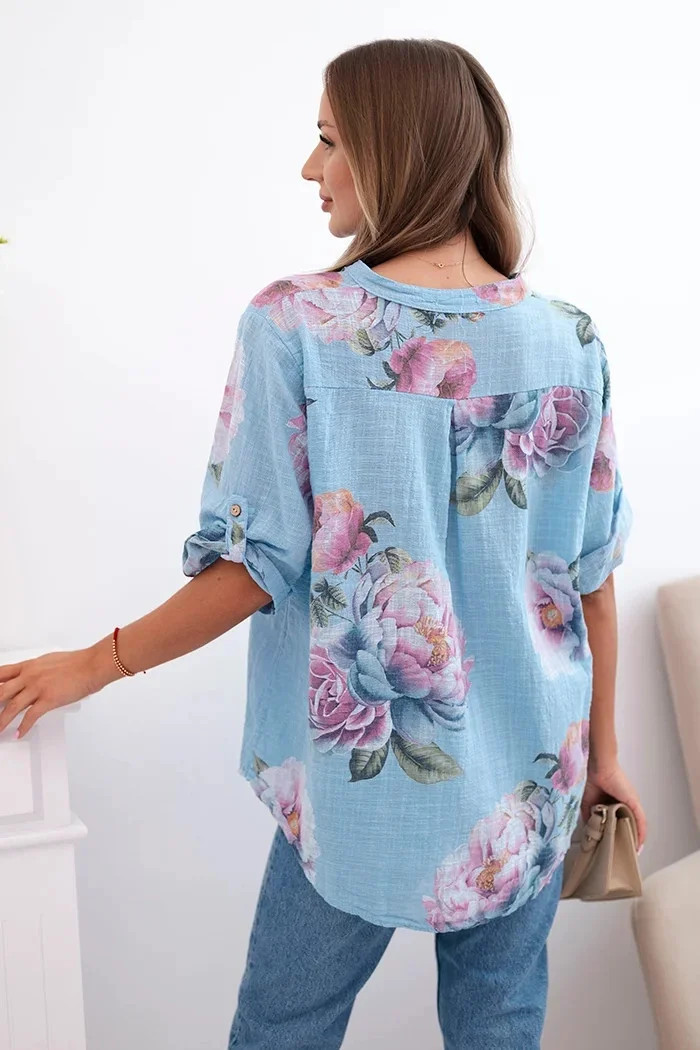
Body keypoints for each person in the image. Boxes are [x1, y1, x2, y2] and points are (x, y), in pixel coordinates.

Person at [0, 37, 646, 1050]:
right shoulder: (570, 339)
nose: (312, 167)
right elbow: (590, 581)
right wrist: (606, 757)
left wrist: (94, 663)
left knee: (282, 1028)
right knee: (501, 1028)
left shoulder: (298, 325)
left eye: (330, 140)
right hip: (533, 778)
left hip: (363, 787)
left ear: (394, 149)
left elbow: (253, 569)